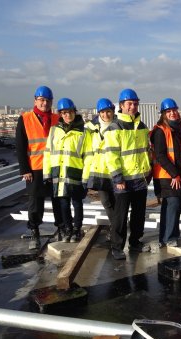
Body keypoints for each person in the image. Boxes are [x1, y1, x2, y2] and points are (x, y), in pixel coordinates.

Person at [104, 89, 151, 260]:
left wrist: (148, 172)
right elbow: (111, 156)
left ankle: (135, 242)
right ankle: (117, 247)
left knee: (139, 214)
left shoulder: (142, 127)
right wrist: (118, 178)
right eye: (129, 103)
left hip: (140, 179)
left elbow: (146, 151)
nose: (132, 106)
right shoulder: (114, 128)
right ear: (122, 106)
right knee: (120, 215)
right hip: (123, 181)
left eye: (135, 103)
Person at [15, 85, 63, 249]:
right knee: (35, 202)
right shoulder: (25, 118)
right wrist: (25, 170)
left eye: (48, 100)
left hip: (55, 167)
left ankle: (61, 228)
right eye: (42, 100)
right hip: (35, 168)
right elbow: (20, 147)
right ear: (35, 100)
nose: (45, 103)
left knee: (59, 200)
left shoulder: (57, 119)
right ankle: (34, 231)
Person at [43, 98, 91, 243]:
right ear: (60, 114)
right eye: (64, 113)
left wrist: (85, 177)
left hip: (75, 173)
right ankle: (68, 229)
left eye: (69, 112)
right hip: (58, 173)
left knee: (77, 203)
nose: (67, 115)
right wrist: (47, 173)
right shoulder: (54, 131)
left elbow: (88, 156)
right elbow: (48, 153)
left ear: (74, 112)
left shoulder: (83, 131)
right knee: (63, 203)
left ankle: (77, 230)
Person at [151, 98, 181, 247]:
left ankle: (165, 238)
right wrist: (174, 174)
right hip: (167, 175)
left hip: (175, 174)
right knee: (173, 204)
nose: (172, 113)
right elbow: (160, 155)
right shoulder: (160, 131)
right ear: (163, 114)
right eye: (168, 111)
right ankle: (170, 237)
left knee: (171, 205)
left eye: (174, 110)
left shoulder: (178, 129)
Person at [83, 98, 116, 238]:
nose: (106, 115)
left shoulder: (118, 126)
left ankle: (116, 229)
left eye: (108, 112)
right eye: (103, 112)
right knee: (107, 202)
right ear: (99, 113)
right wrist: (86, 176)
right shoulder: (90, 128)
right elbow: (87, 152)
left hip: (116, 170)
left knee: (117, 202)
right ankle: (115, 228)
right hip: (100, 171)